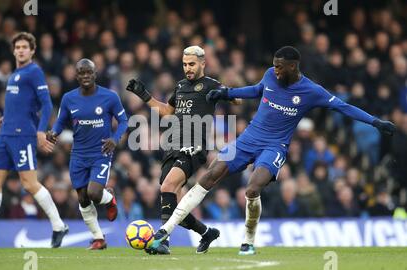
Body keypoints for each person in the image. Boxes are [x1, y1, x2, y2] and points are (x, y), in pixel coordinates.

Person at [149, 46, 396, 255]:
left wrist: (375, 122)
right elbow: (256, 90)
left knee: (253, 187)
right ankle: (165, 232)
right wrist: (227, 93)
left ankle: (248, 241)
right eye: (274, 66)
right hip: (248, 139)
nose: (275, 70)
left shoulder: (312, 91)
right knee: (209, 175)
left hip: (274, 146)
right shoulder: (269, 75)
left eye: (280, 67)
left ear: (293, 67)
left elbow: (343, 108)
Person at [126, 45, 240, 254]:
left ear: (203, 63)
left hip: (194, 147)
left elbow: (237, 99)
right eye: (185, 64)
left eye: (192, 64)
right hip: (173, 145)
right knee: (172, 201)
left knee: (167, 186)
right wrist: (144, 95)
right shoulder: (179, 86)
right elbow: (167, 113)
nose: (187, 68)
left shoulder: (210, 84)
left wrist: (225, 94)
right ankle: (206, 233)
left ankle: (162, 241)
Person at [0, 32, 69, 248]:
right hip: (5, 135)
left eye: (24, 47)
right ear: (13, 50)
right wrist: (7, 117)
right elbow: (23, 104)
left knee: (29, 183)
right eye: (17, 47)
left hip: (23, 136)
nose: (20, 50)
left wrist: (40, 131)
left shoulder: (34, 72)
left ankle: (59, 225)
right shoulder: (15, 74)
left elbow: (46, 104)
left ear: (32, 51)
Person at [47, 58, 128, 250]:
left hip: (101, 152)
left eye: (88, 72)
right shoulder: (68, 98)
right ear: (76, 76)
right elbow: (61, 121)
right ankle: (98, 238)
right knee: (83, 198)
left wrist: (115, 139)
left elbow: (124, 121)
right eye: (81, 73)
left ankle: (109, 198)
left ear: (95, 74)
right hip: (78, 154)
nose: (85, 76)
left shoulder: (110, 97)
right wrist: (54, 132)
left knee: (94, 192)